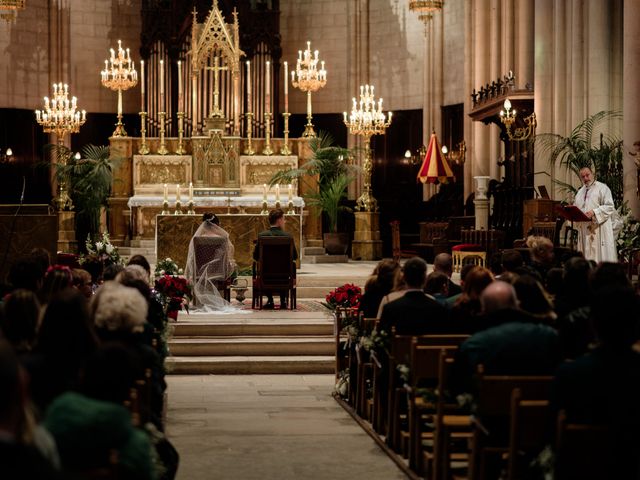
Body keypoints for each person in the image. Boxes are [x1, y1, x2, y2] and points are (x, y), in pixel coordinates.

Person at [378, 257, 447, 336]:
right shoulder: (438, 308)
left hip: (399, 348)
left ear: (404, 278)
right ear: (425, 279)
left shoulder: (390, 308)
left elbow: (381, 337)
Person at [185, 213, 238, 312]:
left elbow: (192, 259)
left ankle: (199, 302)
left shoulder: (196, 239)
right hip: (218, 273)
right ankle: (220, 299)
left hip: (199, 272)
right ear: (216, 225)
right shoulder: (223, 239)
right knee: (233, 265)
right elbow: (227, 258)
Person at [253, 209, 298, 310]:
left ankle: (270, 300)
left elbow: (255, 256)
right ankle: (283, 301)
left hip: (266, 276)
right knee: (285, 267)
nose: (284, 221)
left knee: (262, 269)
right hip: (284, 276)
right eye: (283, 219)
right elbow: (295, 256)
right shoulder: (288, 236)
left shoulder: (262, 236)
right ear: (279, 220)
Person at [573, 166, 618, 262]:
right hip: (585, 229)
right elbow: (576, 207)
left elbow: (610, 206)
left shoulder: (603, 188)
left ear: (593, 174)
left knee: (598, 255)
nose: (585, 178)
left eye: (587, 175)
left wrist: (594, 212)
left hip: (599, 228)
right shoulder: (580, 192)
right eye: (583, 177)